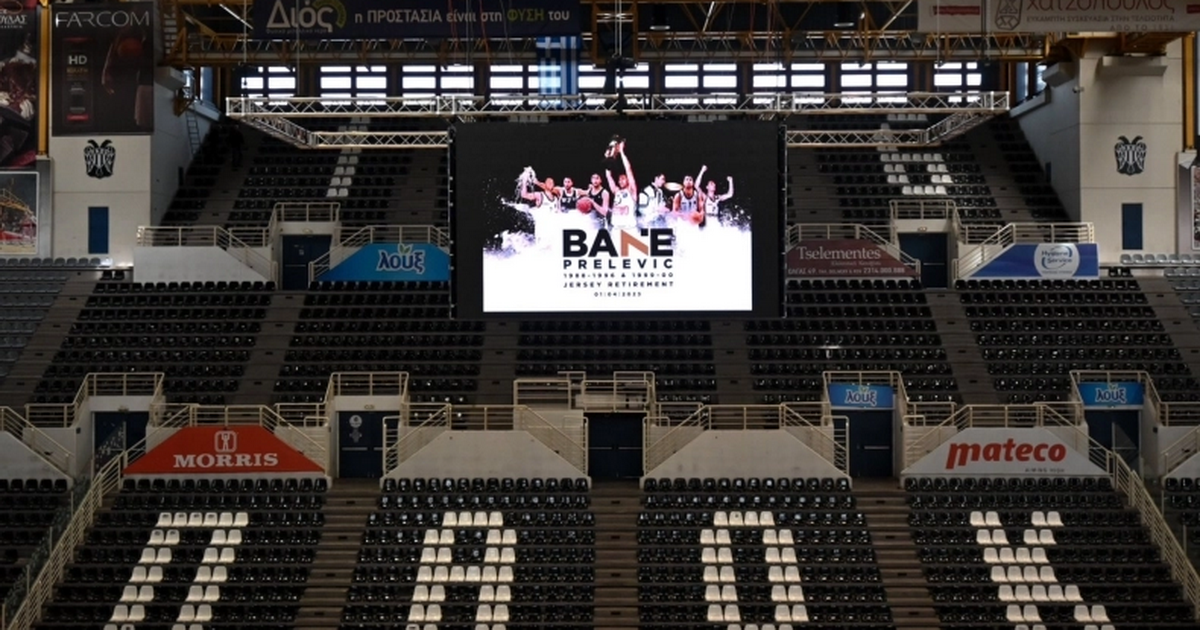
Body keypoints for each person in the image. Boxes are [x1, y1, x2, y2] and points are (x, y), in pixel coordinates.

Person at [604, 141, 637, 229]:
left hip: (629, 228)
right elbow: (608, 175)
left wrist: (621, 152)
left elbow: (628, 169)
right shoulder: (616, 191)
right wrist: (608, 158)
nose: (620, 181)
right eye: (619, 180)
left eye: (623, 179)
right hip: (616, 228)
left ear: (628, 180)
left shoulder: (631, 190)